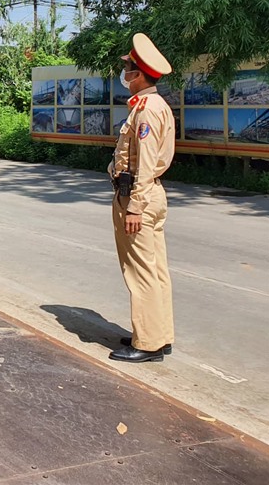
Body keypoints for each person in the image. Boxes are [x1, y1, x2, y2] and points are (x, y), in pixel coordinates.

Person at [107, 33, 176, 364]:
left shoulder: (146, 111)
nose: (125, 74)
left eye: (128, 69)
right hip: (150, 195)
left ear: (138, 74)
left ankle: (148, 343)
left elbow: (145, 164)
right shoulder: (154, 106)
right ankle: (160, 335)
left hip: (138, 197)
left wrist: (134, 206)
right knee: (156, 269)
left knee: (141, 272)